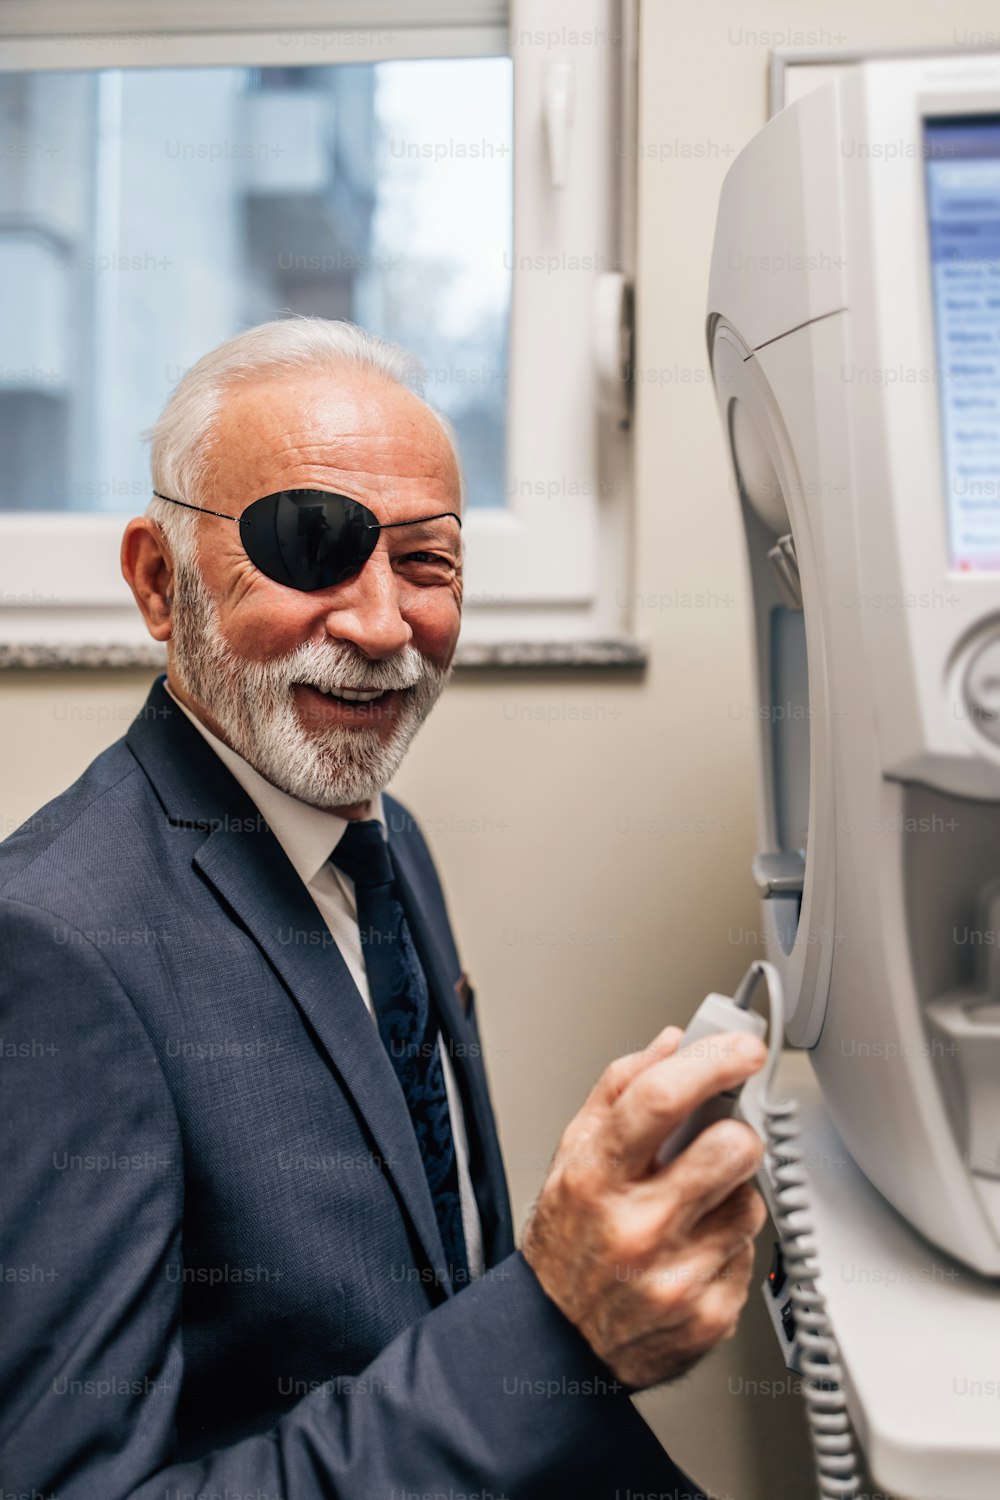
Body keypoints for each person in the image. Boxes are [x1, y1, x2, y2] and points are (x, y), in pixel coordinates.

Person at [0, 319, 767, 1499]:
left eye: (426, 563)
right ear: (161, 584)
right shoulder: (55, 948)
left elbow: (427, 1300)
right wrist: (558, 1329)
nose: (380, 627)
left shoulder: (378, 838)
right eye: (308, 547)